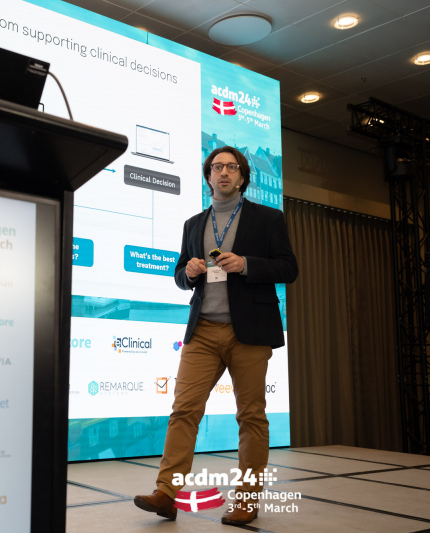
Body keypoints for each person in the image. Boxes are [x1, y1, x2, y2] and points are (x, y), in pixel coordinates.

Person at [133, 146, 298, 525]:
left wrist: (246, 264)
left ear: (242, 177)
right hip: (203, 330)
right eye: (217, 167)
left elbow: (289, 268)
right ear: (208, 176)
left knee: (251, 416)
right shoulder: (193, 224)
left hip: (250, 332)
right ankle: (166, 493)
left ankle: (247, 500)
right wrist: (188, 273)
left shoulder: (268, 218)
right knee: (184, 410)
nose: (224, 172)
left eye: (231, 167)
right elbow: (179, 276)